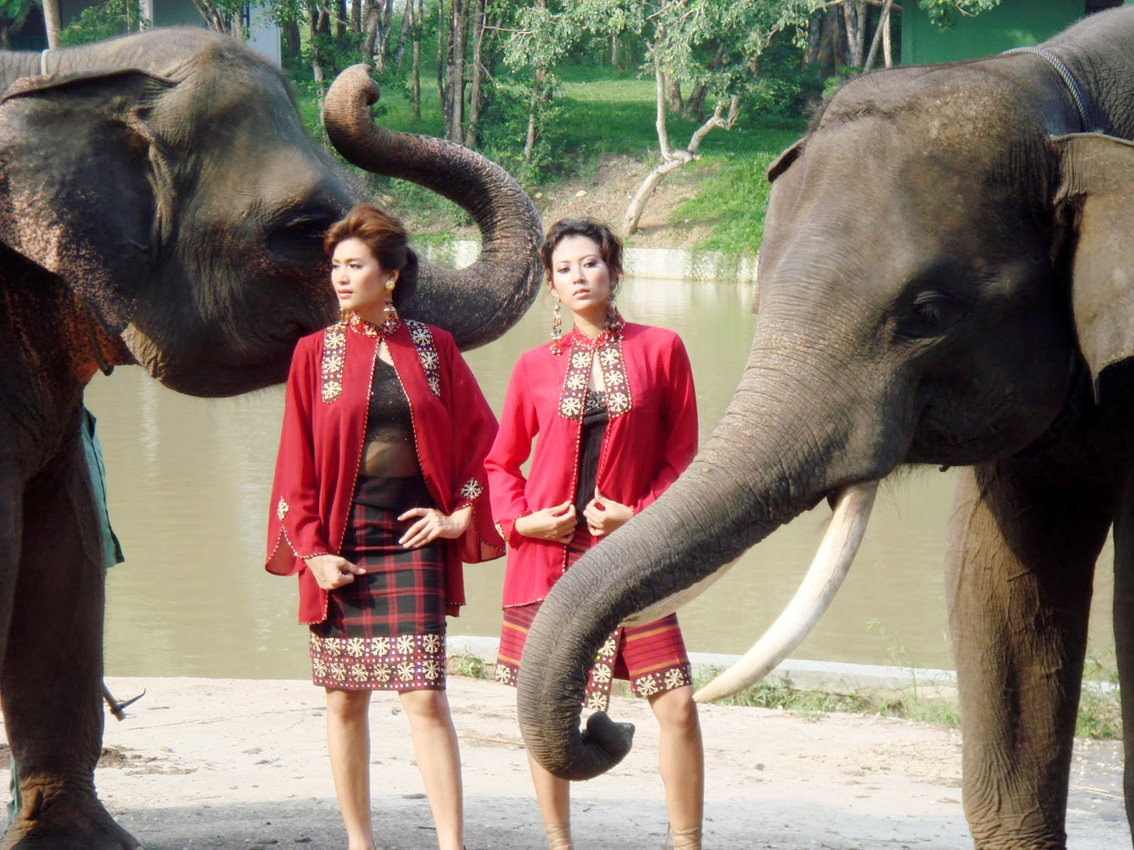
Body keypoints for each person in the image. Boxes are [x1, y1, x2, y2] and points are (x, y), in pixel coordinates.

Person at [265, 204, 503, 850]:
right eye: (336, 266)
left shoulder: (435, 348)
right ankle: (359, 843)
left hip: (412, 540)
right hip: (342, 542)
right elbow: (295, 465)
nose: (341, 278)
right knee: (345, 699)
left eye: (354, 265)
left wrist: (459, 516)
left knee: (424, 696)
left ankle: (451, 844)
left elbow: (486, 441)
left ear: (389, 275)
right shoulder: (313, 356)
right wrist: (312, 552)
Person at [485, 218, 705, 850]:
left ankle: (686, 842)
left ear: (614, 270)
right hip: (546, 562)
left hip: (633, 558)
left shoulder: (661, 349)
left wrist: (639, 516)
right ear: (551, 287)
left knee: (678, 705)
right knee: (545, 712)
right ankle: (559, 843)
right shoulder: (533, 367)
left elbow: (683, 455)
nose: (578, 277)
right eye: (564, 269)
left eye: (589, 264)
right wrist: (522, 520)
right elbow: (501, 462)